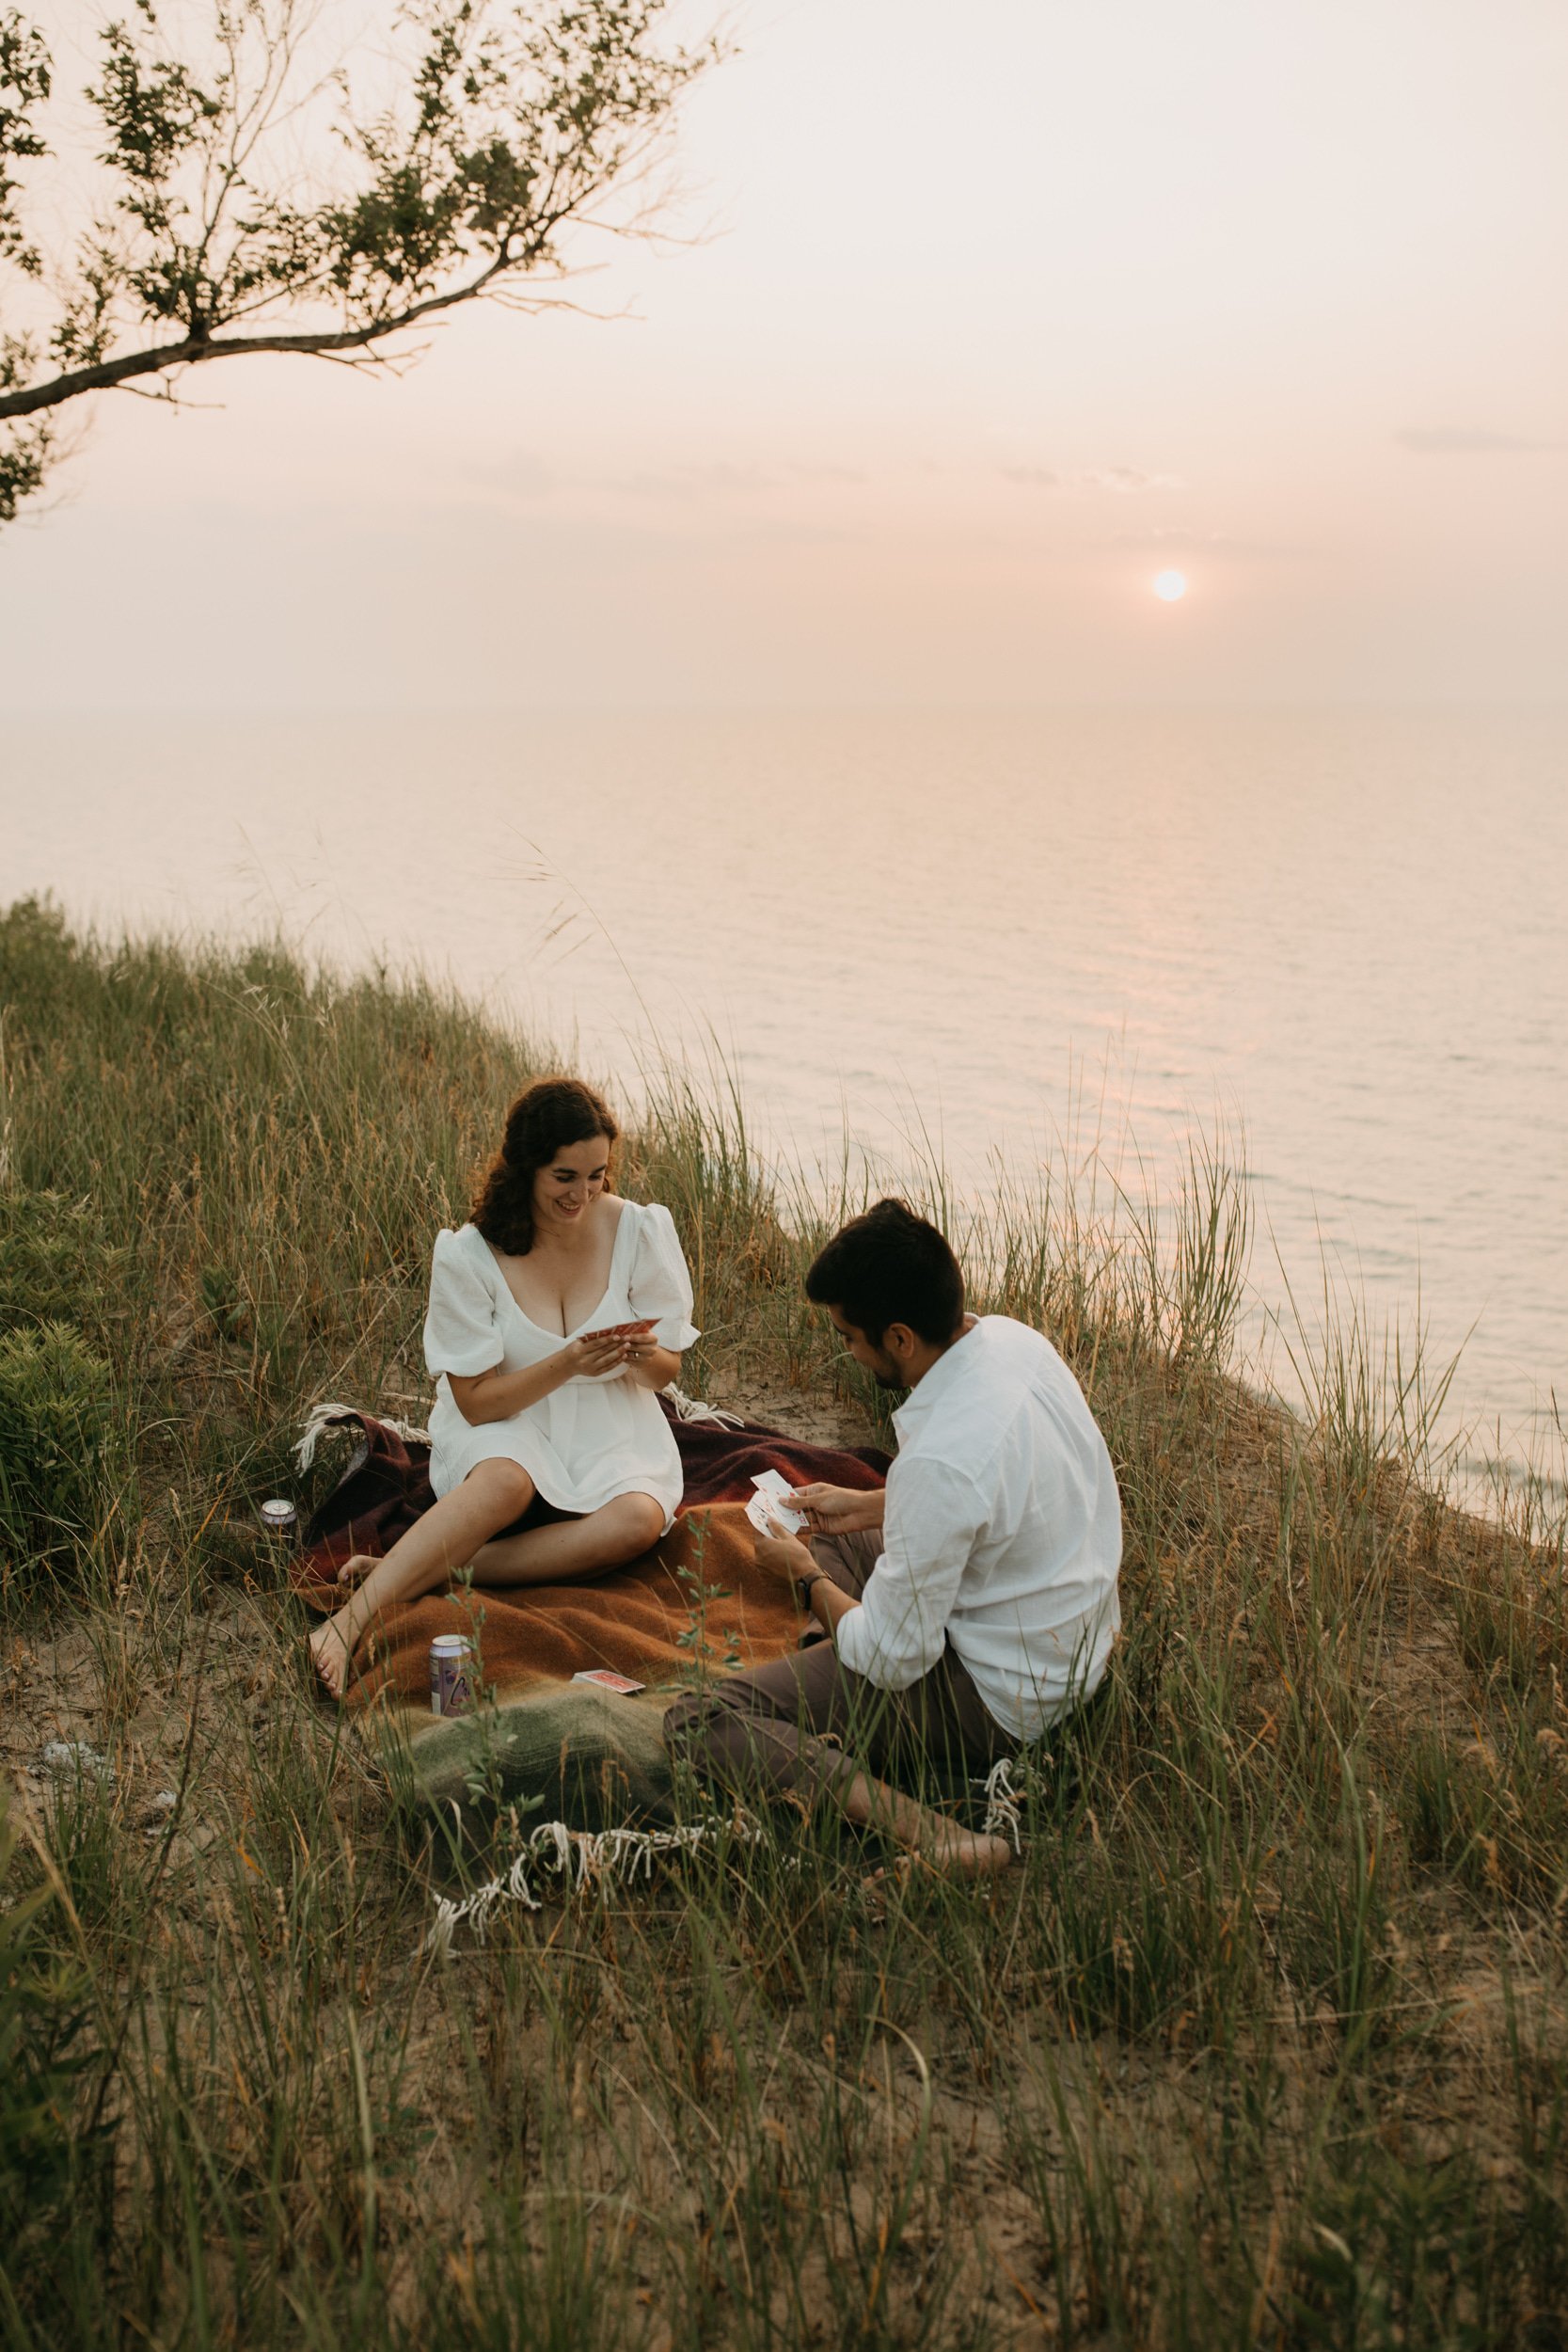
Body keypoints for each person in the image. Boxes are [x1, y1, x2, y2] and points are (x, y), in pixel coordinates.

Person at [664, 1198, 1121, 1874]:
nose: (847, 1353)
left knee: (699, 1722)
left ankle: (934, 1833)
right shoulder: (1013, 1342)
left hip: (1002, 1695)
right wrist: (875, 1503)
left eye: (850, 1337)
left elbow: (894, 1659)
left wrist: (805, 1578)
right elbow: (1001, 1491)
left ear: (899, 1338)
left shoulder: (943, 1460)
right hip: (1064, 1638)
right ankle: (832, 1693)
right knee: (831, 1530)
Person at [309, 1075, 699, 1699]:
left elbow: (666, 1372)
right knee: (508, 1481)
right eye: (564, 1177)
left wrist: (641, 1357)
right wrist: (568, 1362)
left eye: (596, 1174)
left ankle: (429, 1564)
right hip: (504, 1419)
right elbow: (476, 1401)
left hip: (609, 1421)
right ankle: (346, 1622)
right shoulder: (469, 1254)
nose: (584, 1193)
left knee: (636, 1522)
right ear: (524, 1168)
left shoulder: (640, 1229)